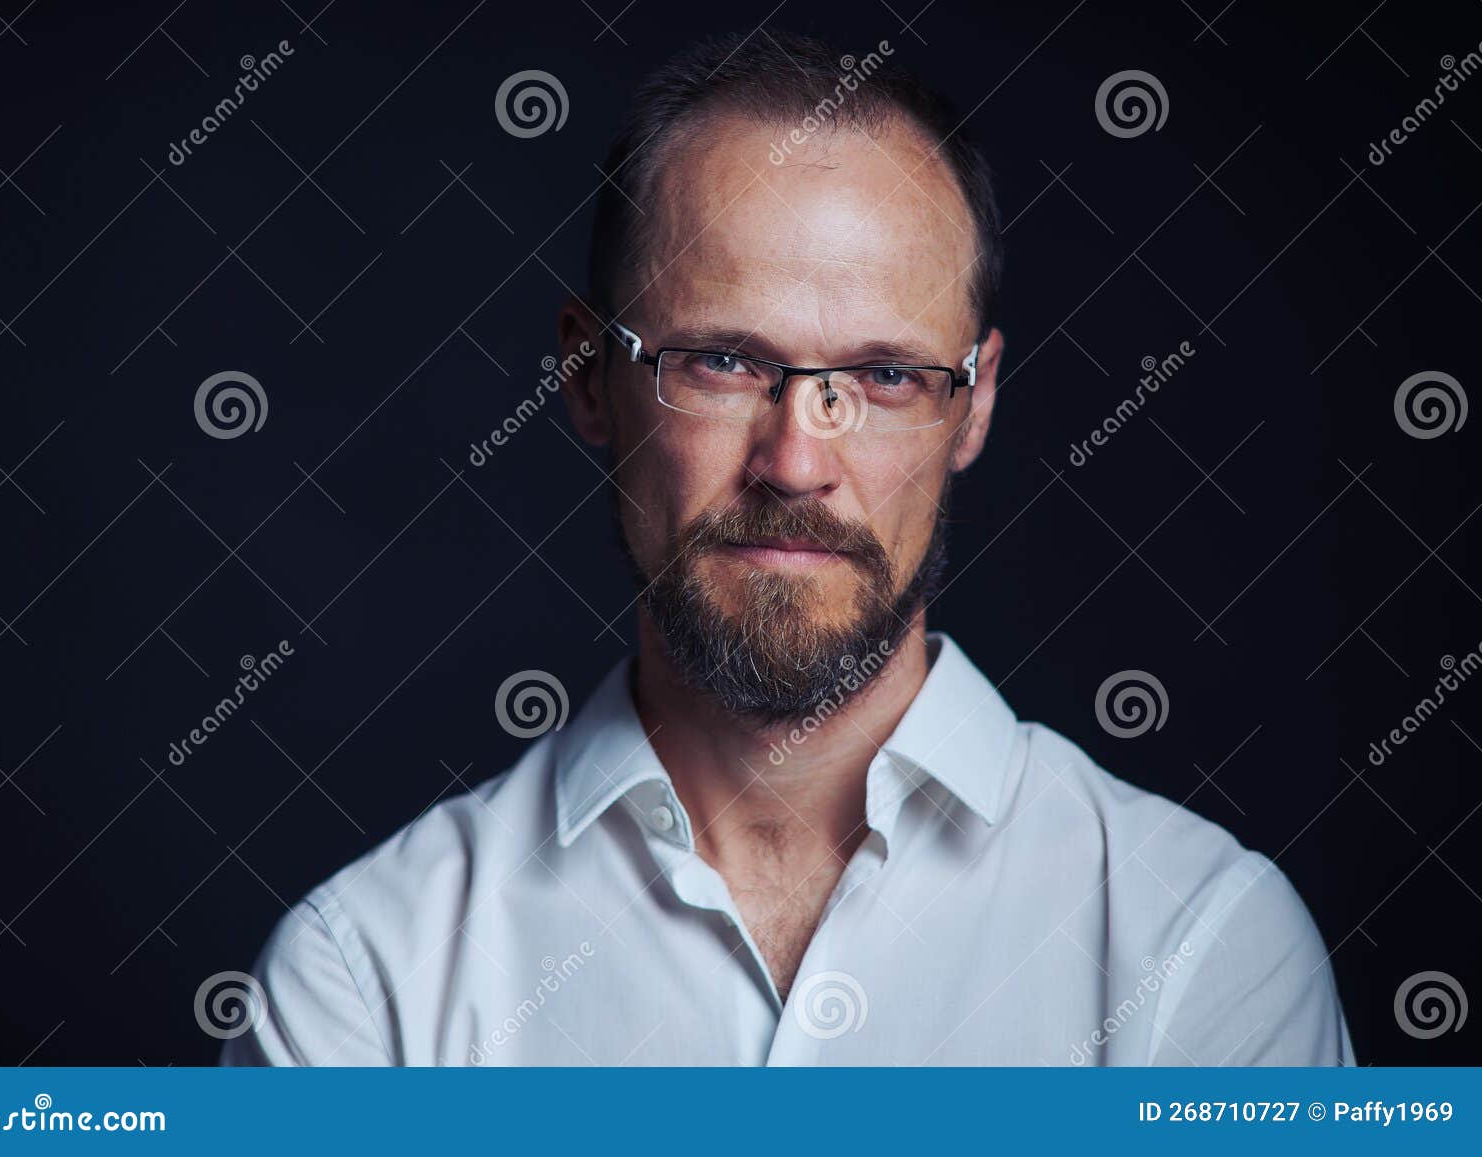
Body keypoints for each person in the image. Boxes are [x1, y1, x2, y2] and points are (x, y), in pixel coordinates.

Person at [224, 30, 1353, 1066]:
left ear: (973, 404)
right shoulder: (366, 985)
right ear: (585, 377)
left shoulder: (1200, 944)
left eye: (887, 375)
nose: (796, 460)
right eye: (723, 361)